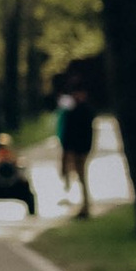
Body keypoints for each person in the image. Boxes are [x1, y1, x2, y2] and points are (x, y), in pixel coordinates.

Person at [52, 71, 96, 218]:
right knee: (74, 175)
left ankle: (85, 206)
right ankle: (80, 204)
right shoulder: (74, 110)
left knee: (81, 177)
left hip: (80, 149)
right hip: (74, 148)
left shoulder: (82, 111)